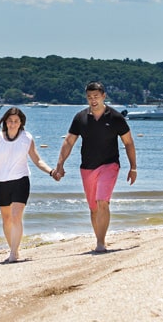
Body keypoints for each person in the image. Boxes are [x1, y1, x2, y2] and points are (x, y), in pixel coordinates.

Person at [51, 81, 137, 252]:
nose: (93, 100)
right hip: (87, 167)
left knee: (102, 201)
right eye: (89, 97)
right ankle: (100, 240)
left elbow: (128, 143)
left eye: (96, 96)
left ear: (104, 96)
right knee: (93, 207)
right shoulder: (80, 118)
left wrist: (133, 167)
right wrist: (60, 164)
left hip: (110, 165)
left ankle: (100, 242)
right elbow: (69, 142)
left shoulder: (115, 117)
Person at [0, 106, 54, 263]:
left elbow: (37, 159)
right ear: (5, 122)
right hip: (1, 182)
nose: (13, 124)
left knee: (15, 217)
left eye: (16, 121)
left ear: (21, 123)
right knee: (6, 219)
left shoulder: (26, 137)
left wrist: (51, 171)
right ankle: (14, 250)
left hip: (21, 181)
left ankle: (13, 254)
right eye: (10, 121)